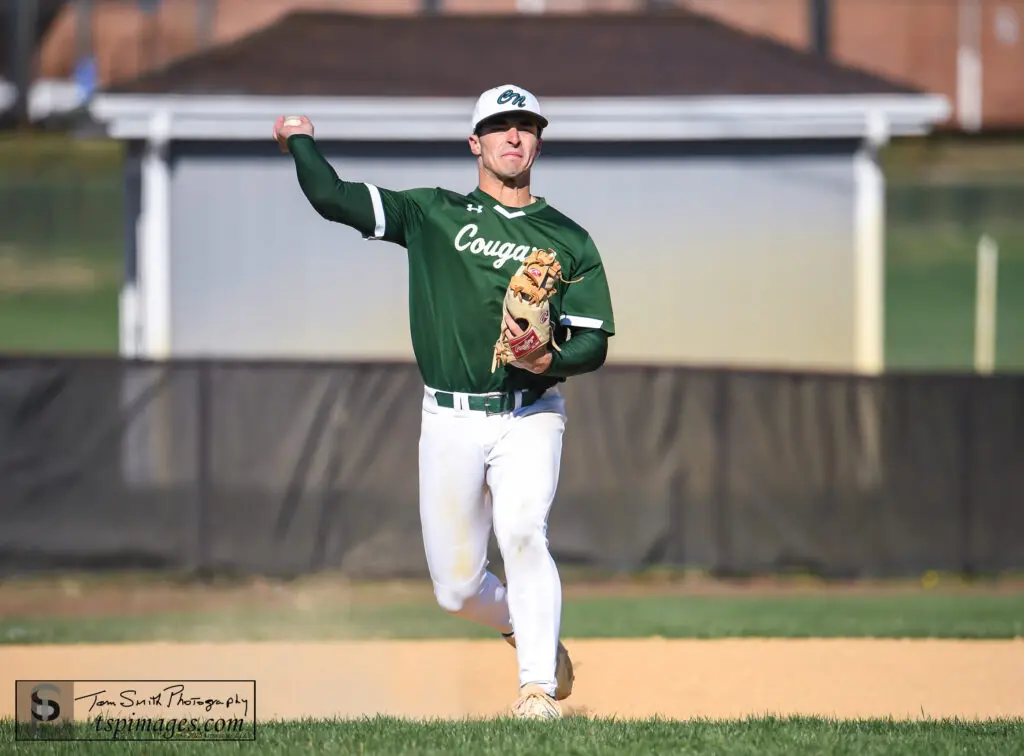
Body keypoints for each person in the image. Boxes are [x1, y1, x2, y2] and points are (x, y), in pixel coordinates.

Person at [273, 84, 615, 720]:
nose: (514, 136)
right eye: (500, 127)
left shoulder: (568, 239)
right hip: (448, 417)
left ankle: (536, 689)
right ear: (475, 144)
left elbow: (592, 342)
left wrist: (550, 359)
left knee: (521, 531)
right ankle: (530, 631)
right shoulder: (432, 215)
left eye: (526, 126)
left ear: (539, 141)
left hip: (529, 413)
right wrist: (299, 139)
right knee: (457, 591)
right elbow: (332, 198)